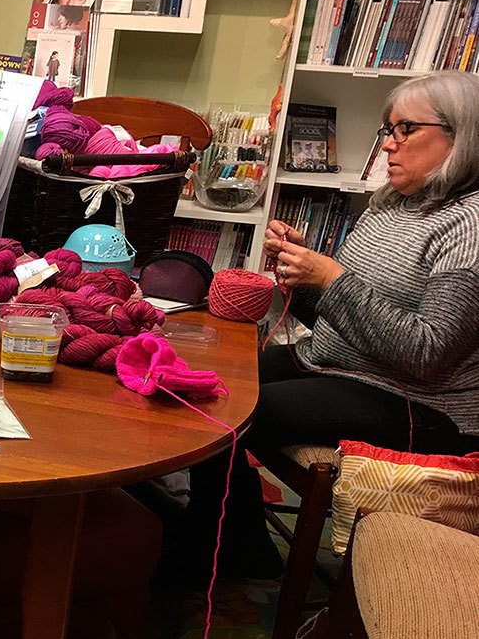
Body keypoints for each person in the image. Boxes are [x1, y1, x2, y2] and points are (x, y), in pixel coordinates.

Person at [183, 71, 479, 580]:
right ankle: (230, 535)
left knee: (222, 407)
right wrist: (301, 274)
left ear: (461, 135)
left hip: (418, 403)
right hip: (341, 366)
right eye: (387, 129)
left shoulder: (469, 225)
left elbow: (427, 353)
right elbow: (344, 322)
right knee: (202, 380)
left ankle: (231, 548)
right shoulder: (390, 207)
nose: (388, 143)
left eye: (405, 129)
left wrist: (332, 278)